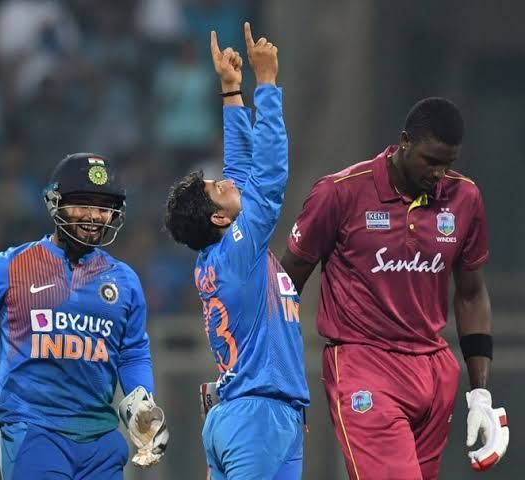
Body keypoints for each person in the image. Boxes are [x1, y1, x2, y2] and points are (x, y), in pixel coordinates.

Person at [281, 97, 509, 479]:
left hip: (434, 372)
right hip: (363, 363)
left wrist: (480, 393)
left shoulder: (465, 198)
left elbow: (471, 294)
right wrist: (276, 376)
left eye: (448, 163)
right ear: (404, 141)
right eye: (431, 161)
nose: (439, 173)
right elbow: (286, 283)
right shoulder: (340, 193)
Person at [0, 153, 169, 479]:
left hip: (102, 439)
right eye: (82, 203)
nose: (94, 216)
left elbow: (132, 352)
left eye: (104, 206)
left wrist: (141, 400)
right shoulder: (11, 266)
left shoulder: (124, 280)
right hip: (35, 431)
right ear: (54, 203)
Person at [164, 23, 309, 479]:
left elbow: (241, 171)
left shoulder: (224, 253)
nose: (225, 180)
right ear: (218, 219)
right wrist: (267, 86)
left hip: (261, 412)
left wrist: (231, 91)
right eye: (217, 188)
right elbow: (267, 179)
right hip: (255, 417)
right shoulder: (238, 255)